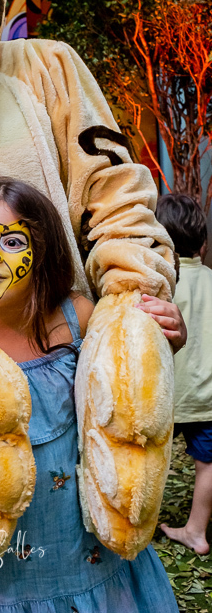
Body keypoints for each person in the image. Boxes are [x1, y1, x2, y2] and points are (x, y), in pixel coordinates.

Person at [0, 177, 184, 612]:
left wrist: (166, 336)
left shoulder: (78, 318)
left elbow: (132, 390)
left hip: (90, 555)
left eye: (12, 241)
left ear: (42, 252)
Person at [156, 194, 212, 555]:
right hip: (208, 398)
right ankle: (196, 531)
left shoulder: (160, 288)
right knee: (208, 464)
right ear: (203, 247)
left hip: (166, 396)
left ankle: (138, 525)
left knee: (148, 459)